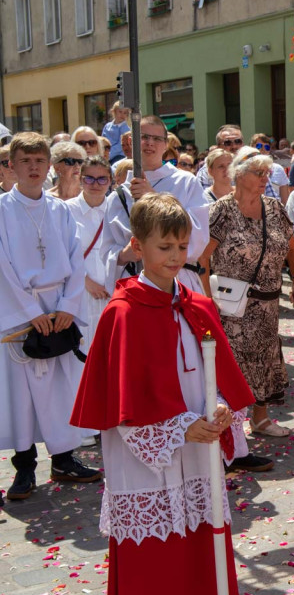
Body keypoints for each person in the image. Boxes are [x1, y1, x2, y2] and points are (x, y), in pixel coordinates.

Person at [69, 193, 252, 595]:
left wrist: (224, 409)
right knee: (157, 555)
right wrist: (176, 429)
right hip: (146, 461)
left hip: (199, 447)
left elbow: (216, 375)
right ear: (138, 246)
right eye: (164, 246)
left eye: (181, 246)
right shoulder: (123, 312)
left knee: (201, 541)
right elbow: (124, 402)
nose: (174, 257)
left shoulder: (197, 305)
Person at [0, 132, 100, 503]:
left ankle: (63, 459)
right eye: (25, 162)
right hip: (20, 315)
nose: (33, 168)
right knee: (22, 395)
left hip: (58, 309)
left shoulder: (60, 210)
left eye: (39, 162)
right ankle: (24, 467)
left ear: (49, 166)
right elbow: (2, 267)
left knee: (60, 390)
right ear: (12, 165)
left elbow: (77, 262)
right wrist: (29, 314)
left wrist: (68, 307)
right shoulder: (2, 210)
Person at [199, 146, 294, 452]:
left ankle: (260, 419)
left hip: (268, 303)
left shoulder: (273, 207)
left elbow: (292, 246)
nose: (264, 178)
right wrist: (207, 301)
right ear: (238, 175)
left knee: (265, 359)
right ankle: (231, 426)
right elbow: (202, 259)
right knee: (234, 363)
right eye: (258, 173)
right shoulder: (222, 210)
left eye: (267, 173)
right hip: (232, 305)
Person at [98, 116, 208, 297]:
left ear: (166, 145)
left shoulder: (185, 182)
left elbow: (199, 238)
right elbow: (106, 253)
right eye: (143, 137)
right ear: (130, 142)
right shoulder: (118, 196)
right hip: (135, 286)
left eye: (157, 139)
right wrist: (125, 254)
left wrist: (153, 199)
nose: (150, 143)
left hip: (178, 282)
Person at [67, 156, 113, 353]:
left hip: (112, 294)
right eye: (89, 178)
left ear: (110, 181)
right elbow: (62, 253)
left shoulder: (117, 210)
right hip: (80, 295)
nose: (95, 184)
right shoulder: (66, 210)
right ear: (80, 179)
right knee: (83, 353)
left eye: (102, 179)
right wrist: (87, 282)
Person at [251, 133, 291, 202]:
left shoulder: (278, 169)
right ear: (252, 147)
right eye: (259, 146)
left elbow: (285, 200)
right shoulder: (246, 169)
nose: (263, 149)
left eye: (267, 147)